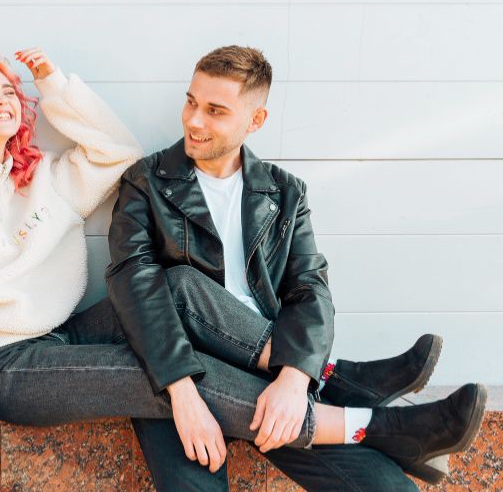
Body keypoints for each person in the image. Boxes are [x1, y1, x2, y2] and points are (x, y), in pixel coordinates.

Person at [105, 45, 487, 489]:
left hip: (266, 370)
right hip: (179, 370)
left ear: (255, 121)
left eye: (215, 110)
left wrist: (292, 378)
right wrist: (181, 390)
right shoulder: (145, 182)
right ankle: (346, 383)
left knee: (386, 486)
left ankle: (332, 382)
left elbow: (309, 288)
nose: (193, 120)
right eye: (191, 101)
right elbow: (133, 283)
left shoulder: (285, 193)